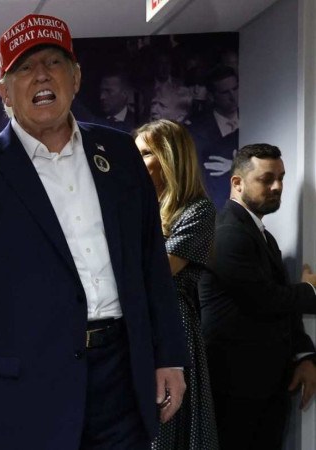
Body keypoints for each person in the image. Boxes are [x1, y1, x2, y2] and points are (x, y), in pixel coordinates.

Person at [0, 14, 187, 449]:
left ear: (76, 77)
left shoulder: (120, 153)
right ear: (4, 92)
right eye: (24, 68)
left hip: (121, 374)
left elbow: (151, 265)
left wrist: (169, 358)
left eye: (54, 62)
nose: (42, 75)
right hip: (26, 387)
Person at [199, 144, 316, 450]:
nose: (277, 186)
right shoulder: (228, 232)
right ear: (237, 183)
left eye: (281, 178)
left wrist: (303, 354)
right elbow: (265, 299)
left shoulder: (258, 233)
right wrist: (310, 290)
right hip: (235, 389)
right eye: (267, 179)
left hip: (261, 387)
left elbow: (278, 306)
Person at [133, 119, 219, 449]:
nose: (136, 162)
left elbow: (157, 272)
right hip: (134, 324)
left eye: (145, 154)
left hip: (173, 326)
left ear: (169, 159)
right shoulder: (135, 209)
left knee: (168, 426)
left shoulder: (197, 211)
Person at [187, 65, 239, 208]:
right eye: (225, 92)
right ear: (211, 96)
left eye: (235, 89)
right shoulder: (195, 130)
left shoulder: (257, 120)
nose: (233, 97)